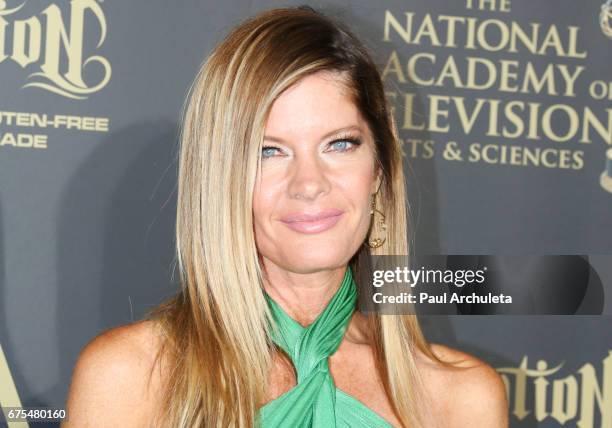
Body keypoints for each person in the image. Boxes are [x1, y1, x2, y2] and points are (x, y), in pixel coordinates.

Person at [62, 6, 508, 427]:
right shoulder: (131, 378)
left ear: (379, 168)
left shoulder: (458, 398)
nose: (309, 183)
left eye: (339, 144)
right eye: (269, 151)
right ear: (221, 180)